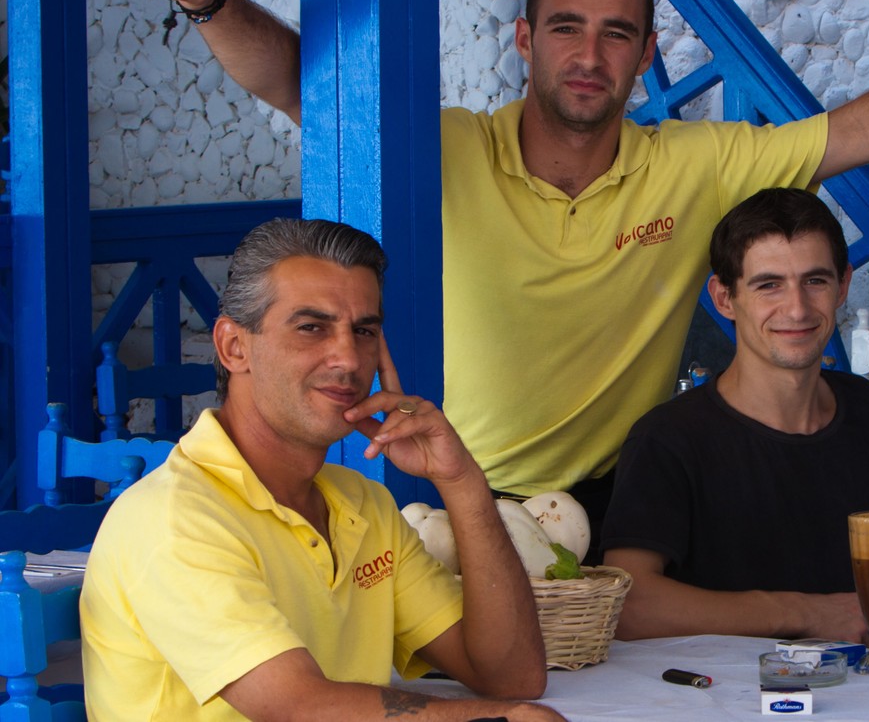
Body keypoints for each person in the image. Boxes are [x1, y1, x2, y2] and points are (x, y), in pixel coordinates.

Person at [142, 0, 869, 530]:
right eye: (566, 28)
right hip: (449, 491)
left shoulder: (689, 164)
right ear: (525, 41)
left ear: (645, 57)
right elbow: (304, 89)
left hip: (619, 505)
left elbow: (860, 130)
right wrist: (211, 2)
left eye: (616, 35)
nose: (588, 55)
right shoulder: (451, 148)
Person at [79, 218, 564, 722]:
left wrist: (461, 482)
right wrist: (504, 719)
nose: (348, 359)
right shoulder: (171, 518)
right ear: (233, 347)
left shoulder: (362, 504)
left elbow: (512, 676)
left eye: (364, 331)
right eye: (312, 328)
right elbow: (299, 706)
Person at [600, 188, 869, 642]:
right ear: (724, 298)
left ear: (843, 285)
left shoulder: (864, 410)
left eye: (815, 280)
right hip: (711, 683)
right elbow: (628, 605)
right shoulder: (667, 439)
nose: (797, 308)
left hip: (846, 677)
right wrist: (805, 613)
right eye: (768, 285)